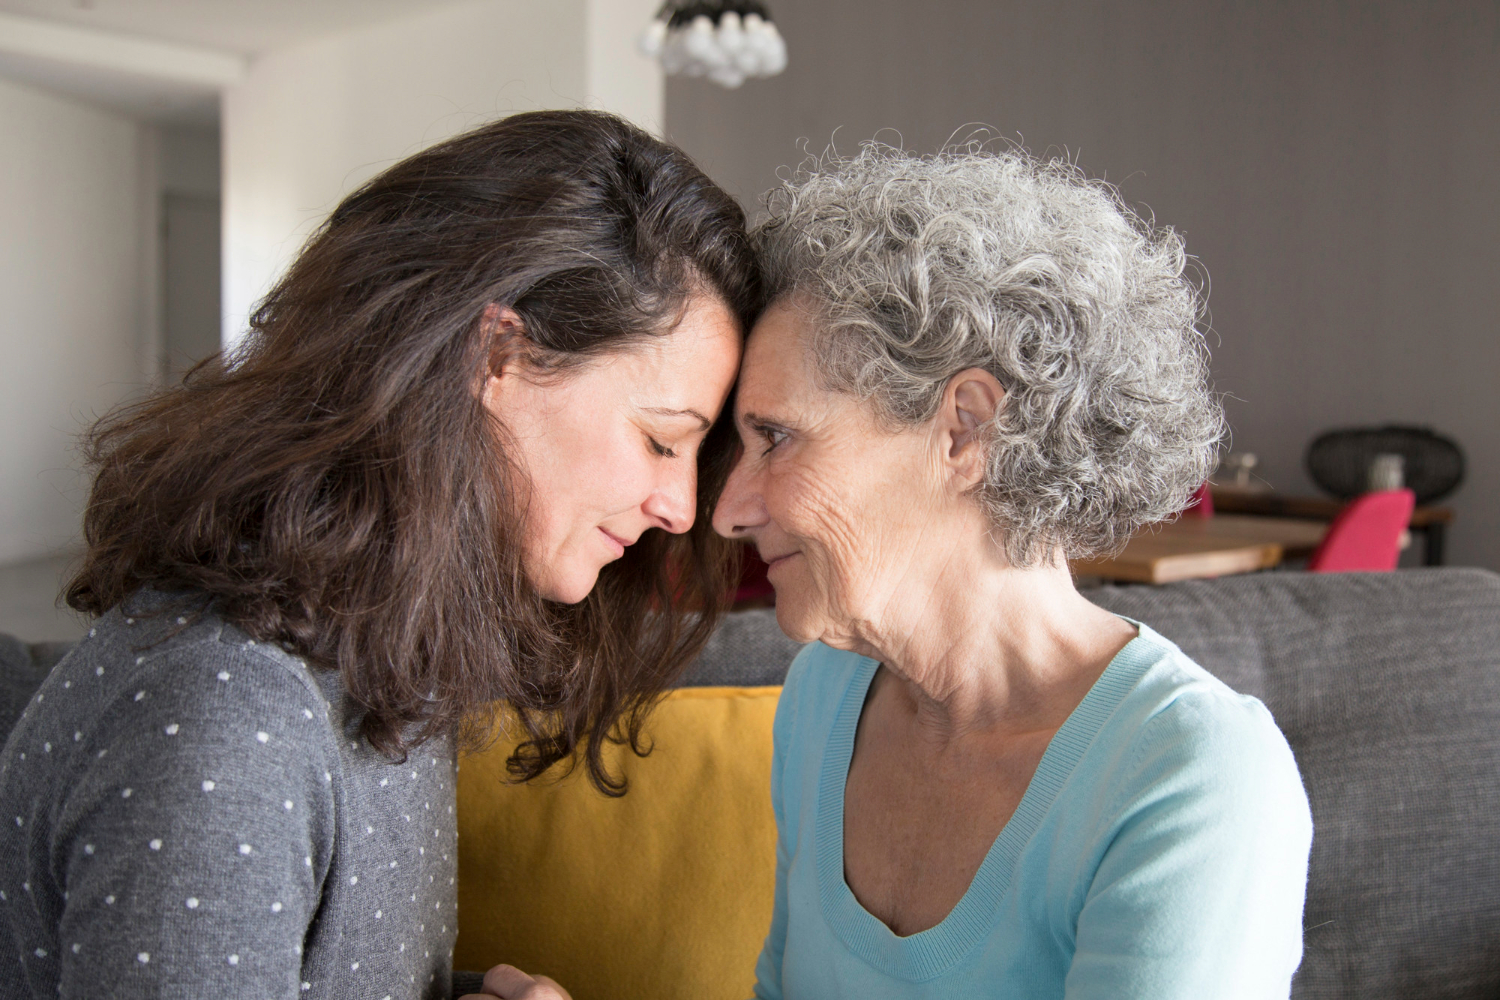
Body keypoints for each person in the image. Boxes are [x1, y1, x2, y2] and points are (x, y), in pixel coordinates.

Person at [0, 109, 756, 1000]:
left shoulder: (368, 647)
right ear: (498, 355)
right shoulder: (228, 719)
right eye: (661, 439)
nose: (678, 507)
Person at [713, 146, 1312, 999]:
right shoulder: (822, 694)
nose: (728, 510)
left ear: (964, 430)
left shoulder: (1191, 774)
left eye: (776, 438)